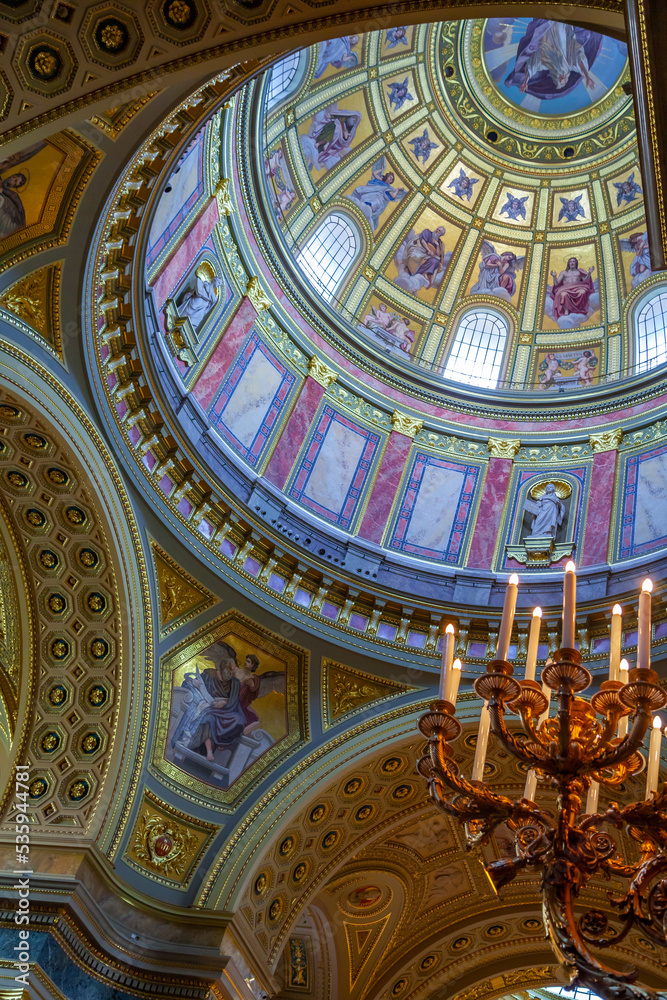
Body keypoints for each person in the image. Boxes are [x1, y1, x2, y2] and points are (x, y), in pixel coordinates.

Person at [188, 653, 262, 762]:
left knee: (239, 719)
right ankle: (208, 750)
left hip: (230, 706)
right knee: (210, 718)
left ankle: (221, 743)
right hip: (208, 704)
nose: (234, 671)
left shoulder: (234, 682)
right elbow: (193, 682)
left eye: (234, 670)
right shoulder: (210, 673)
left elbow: (236, 697)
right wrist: (192, 681)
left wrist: (225, 703)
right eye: (232, 669)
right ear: (225, 668)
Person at [504, 19, 602, 99]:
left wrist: (525, 82)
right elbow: (580, 63)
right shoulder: (569, 64)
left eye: (560, 79)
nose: (562, 77)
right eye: (564, 79)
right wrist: (587, 77)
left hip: (547, 27)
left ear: (555, 78)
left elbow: (531, 68)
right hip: (563, 26)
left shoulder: (546, 64)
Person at [347, 157, 406, 230]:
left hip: (378, 198)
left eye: (392, 179)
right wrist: (381, 169)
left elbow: (393, 196)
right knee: (361, 192)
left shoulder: (389, 188)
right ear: (387, 176)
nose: (391, 179)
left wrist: (397, 189)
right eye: (390, 177)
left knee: (375, 202)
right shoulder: (380, 180)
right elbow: (374, 173)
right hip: (370, 192)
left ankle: (365, 215)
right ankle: (360, 209)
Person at [0, 173, 27, 239]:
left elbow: (20, 209)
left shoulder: (11, 194)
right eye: (15, 181)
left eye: (14, 185)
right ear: (13, 176)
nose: (11, 184)